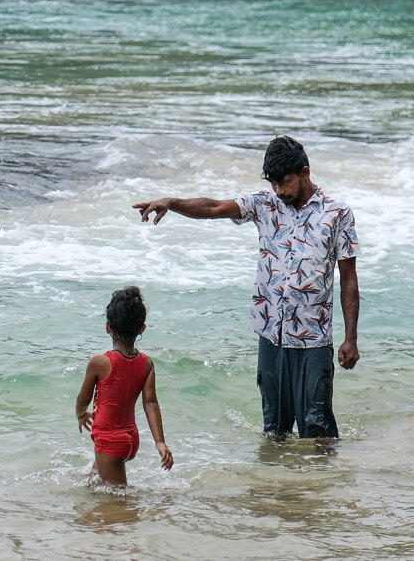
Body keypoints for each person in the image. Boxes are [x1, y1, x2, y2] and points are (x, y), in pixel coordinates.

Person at [132, 135, 359, 439]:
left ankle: (319, 485)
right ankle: (275, 485)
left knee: (318, 429)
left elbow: (348, 279)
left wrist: (350, 339)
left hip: (314, 339)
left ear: (304, 173)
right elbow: (212, 207)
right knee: (274, 430)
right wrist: (172, 203)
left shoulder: (337, 214)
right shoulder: (264, 204)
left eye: (285, 182)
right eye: (273, 183)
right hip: (271, 334)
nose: (279, 190)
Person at [76, 286, 173, 487]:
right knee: (92, 483)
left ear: (108, 327)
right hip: (130, 438)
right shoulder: (146, 363)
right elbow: (151, 403)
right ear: (142, 328)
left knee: (120, 501)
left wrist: (81, 413)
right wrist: (160, 442)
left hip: (110, 441)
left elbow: (83, 399)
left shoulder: (99, 363)